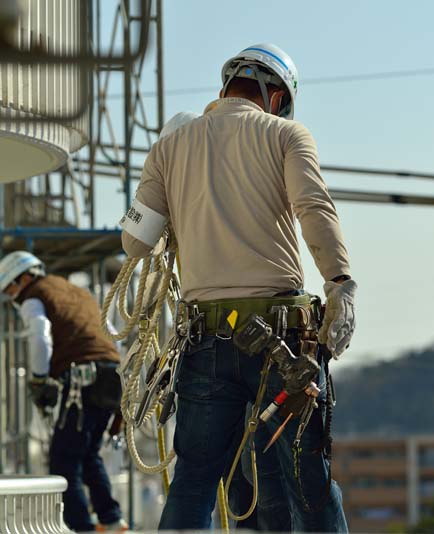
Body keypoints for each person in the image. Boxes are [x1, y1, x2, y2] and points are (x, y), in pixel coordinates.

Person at [120, 42, 355, 532]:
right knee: (307, 483)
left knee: (195, 481)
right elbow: (313, 208)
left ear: (226, 87)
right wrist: (340, 284)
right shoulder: (286, 134)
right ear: (277, 98)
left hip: (205, 340)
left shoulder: (169, 147)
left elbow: (135, 242)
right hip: (281, 343)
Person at [0, 251, 127, 533]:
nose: (11, 297)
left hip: (82, 380)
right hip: (111, 375)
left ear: (24, 278)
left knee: (63, 459)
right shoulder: (78, 293)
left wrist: (39, 379)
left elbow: (40, 336)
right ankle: (112, 520)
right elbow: (111, 335)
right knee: (89, 453)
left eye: (9, 288)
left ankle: (80, 527)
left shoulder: (35, 295)